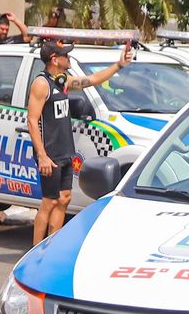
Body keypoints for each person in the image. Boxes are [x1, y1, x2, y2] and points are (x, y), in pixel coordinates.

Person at [27, 39, 132, 245]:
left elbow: (92, 79)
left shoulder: (62, 80)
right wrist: (42, 156)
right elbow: (32, 120)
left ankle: (51, 245)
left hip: (65, 150)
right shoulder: (41, 84)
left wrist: (118, 65)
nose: (68, 58)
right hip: (50, 154)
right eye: (65, 55)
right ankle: (34, 251)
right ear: (54, 59)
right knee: (48, 202)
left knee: (64, 198)